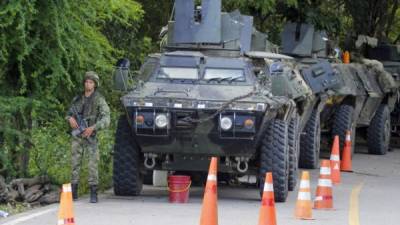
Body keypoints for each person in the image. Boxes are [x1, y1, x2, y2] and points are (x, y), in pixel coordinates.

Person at [66, 71, 110, 203]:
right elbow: (68, 113)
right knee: (75, 163)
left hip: (91, 135)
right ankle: (73, 192)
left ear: (95, 85)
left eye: (91, 82)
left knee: (92, 164)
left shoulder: (99, 100)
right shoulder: (78, 99)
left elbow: (107, 118)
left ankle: (93, 192)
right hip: (78, 135)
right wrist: (70, 119)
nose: (88, 84)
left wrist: (93, 128)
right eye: (86, 81)